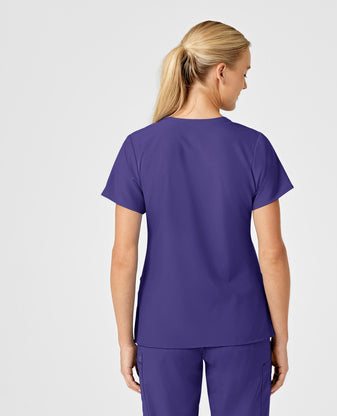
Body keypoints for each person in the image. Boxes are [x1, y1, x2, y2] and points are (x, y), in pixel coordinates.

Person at [101, 20, 294, 416]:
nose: (245, 84)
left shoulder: (138, 147)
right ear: (221, 71)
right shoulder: (253, 147)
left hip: (162, 328)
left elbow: (123, 255)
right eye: (244, 72)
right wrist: (281, 338)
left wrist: (125, 341)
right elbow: (272, 254)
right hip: (242, 327)